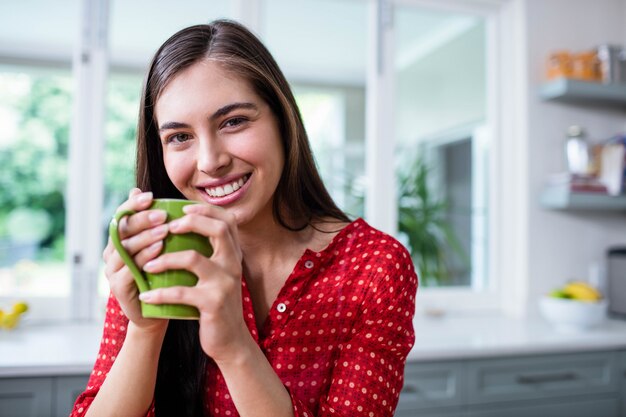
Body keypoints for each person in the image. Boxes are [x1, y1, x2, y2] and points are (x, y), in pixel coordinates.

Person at [72, 19, 417, 417]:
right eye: (180, 137)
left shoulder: (374, 267)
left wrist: (235, 347)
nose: (210, 161)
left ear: (283, 122)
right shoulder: (157, 253)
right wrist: (145, 330)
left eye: (233, 121)